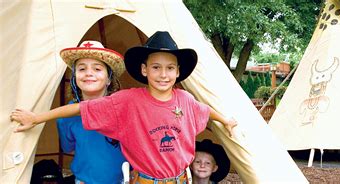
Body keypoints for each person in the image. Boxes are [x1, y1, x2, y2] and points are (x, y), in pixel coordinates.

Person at [10, 31, 237, 184]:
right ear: (144, 70)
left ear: (178, 72)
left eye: (170, 68)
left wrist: (225, 120)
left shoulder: (185, 99)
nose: (163, 74)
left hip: (180, 179)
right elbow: (80, 108)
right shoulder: (128, 100)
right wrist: (37, 118)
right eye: (156, 67)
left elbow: (204, 110)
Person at [58, 40, 127, 184]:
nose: (89, 73)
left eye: (97, 69)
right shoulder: (65, 116)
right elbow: (68, 148)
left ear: (109, 79)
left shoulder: (124, 110)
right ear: (74, 78)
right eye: (82, 69)